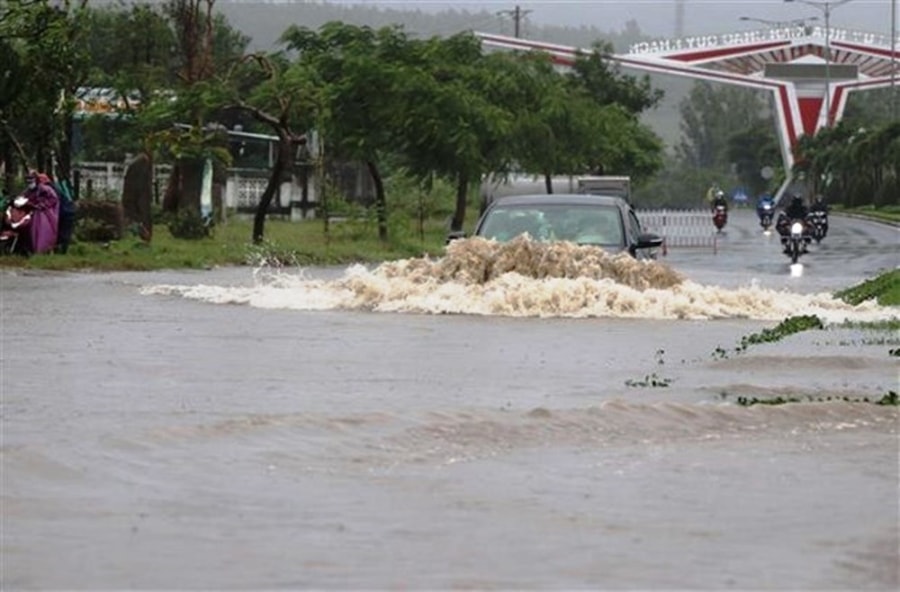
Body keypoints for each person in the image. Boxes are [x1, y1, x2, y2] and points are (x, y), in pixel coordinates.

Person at [20, 170, 60, 255]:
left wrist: (42, 205)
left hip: (44, 213)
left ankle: (41, 250)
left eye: (31, 179)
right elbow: (23, 197)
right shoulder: (28, 190)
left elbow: (54, 199)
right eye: (28, 179)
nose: (29, 182)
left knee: (40, 230)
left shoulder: (45, 189)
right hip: (32, 211)